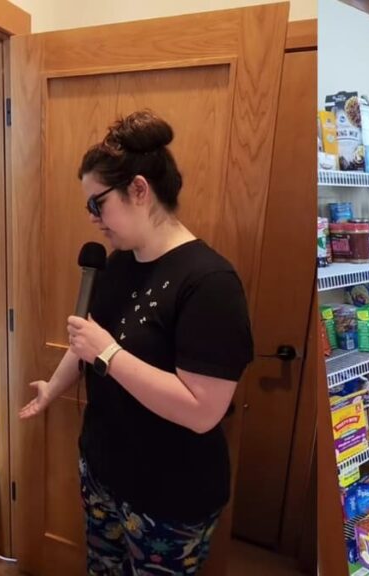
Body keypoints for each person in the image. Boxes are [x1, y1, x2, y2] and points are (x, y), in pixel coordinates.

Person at [19, 110, 254, 575]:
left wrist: (107, 351)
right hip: (103, 471)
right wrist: (53, 387)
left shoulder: (210, 283)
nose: (93, 219)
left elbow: (202, 410)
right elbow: (88, 340)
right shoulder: (120, 262)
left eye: (97, 204)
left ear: (140, 190)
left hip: (170, 497)